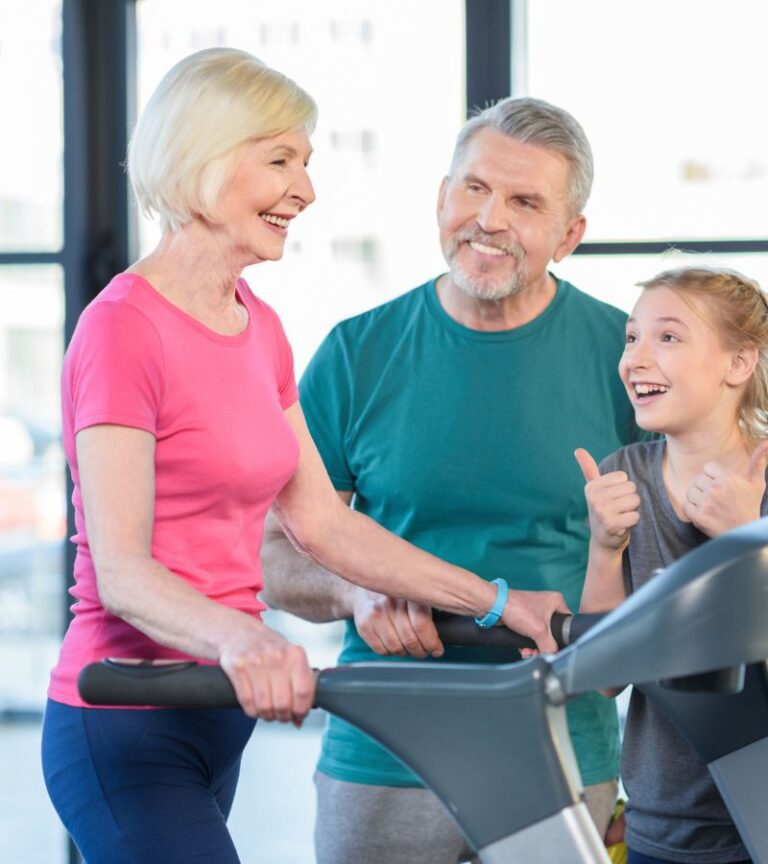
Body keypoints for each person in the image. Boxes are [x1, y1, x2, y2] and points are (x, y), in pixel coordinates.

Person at [40, 50, 568, 864]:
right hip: (124, 716)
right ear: (202, 158)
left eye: (307, 163)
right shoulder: (123, 330)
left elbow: (324, 524)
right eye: (280, 160)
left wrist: (499, 602)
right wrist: (247, 640)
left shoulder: (259, 327)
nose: (307, 190)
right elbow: (122, 571)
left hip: (217, 713)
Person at [261, 96, 642, 864]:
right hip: (384, 752)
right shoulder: (355, 352)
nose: (489, 219)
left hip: (564, 751)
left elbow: (671, 560)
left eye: (526, 201)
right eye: (473, 189)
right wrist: (352, 592)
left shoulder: (629, 357)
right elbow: (275, 557)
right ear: (441, 198)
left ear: (570, 236)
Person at [576, 265, 768, 864]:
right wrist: (604, 548)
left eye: (668, 337)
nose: (634, 358)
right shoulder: (622, 475)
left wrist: (747, 542)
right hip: (662, 821)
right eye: (632, 338)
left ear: (738, 364)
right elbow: (604, 675)